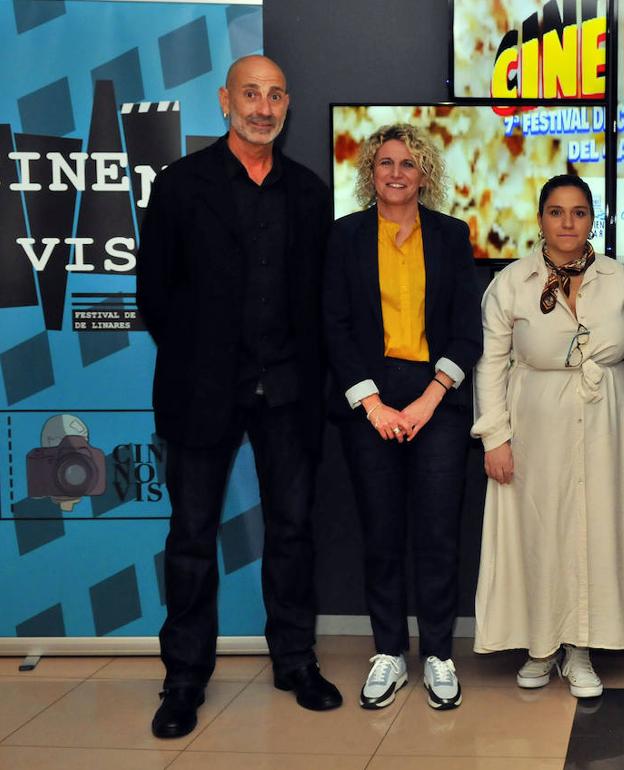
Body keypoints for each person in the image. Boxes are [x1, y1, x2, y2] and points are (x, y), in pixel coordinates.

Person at [137, 55, 341, 739]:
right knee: (192, 537)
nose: (263, 107)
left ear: (288, 105)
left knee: (293, 533)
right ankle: (184, 678)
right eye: (250, 94)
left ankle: (295, 661)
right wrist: (202, 358)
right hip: (202, 391)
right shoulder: (179, 185)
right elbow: (154, 294)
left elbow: (320, 300)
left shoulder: (309, 193)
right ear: (225, 100)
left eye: (275, 95)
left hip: (288, 389)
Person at [471, 174, 624, 699]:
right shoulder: (511, 282)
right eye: (556, 212)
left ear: (592, 219)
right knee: (539, 533)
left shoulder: (620, 281)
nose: (567, 222)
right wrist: (494, 438)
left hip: (606, 424)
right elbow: (491, 364)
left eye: (578, 212)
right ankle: (540, 646)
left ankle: (581, 649)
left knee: (597, 532)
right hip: (535, 426)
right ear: (540, 219)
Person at [322, 124, 483, 711]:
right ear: (371, 171)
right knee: (381, 532)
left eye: (409, 163)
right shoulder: (344, 235)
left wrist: (429, 398)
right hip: (369, 399)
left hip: (436, 398)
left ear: (424, 174)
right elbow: (334, 324)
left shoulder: (451, 235)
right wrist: (372, 404)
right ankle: (388, 651)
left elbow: (467, 330)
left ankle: (438, 654)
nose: (396, 172)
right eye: (386, 162)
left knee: (438, 533)